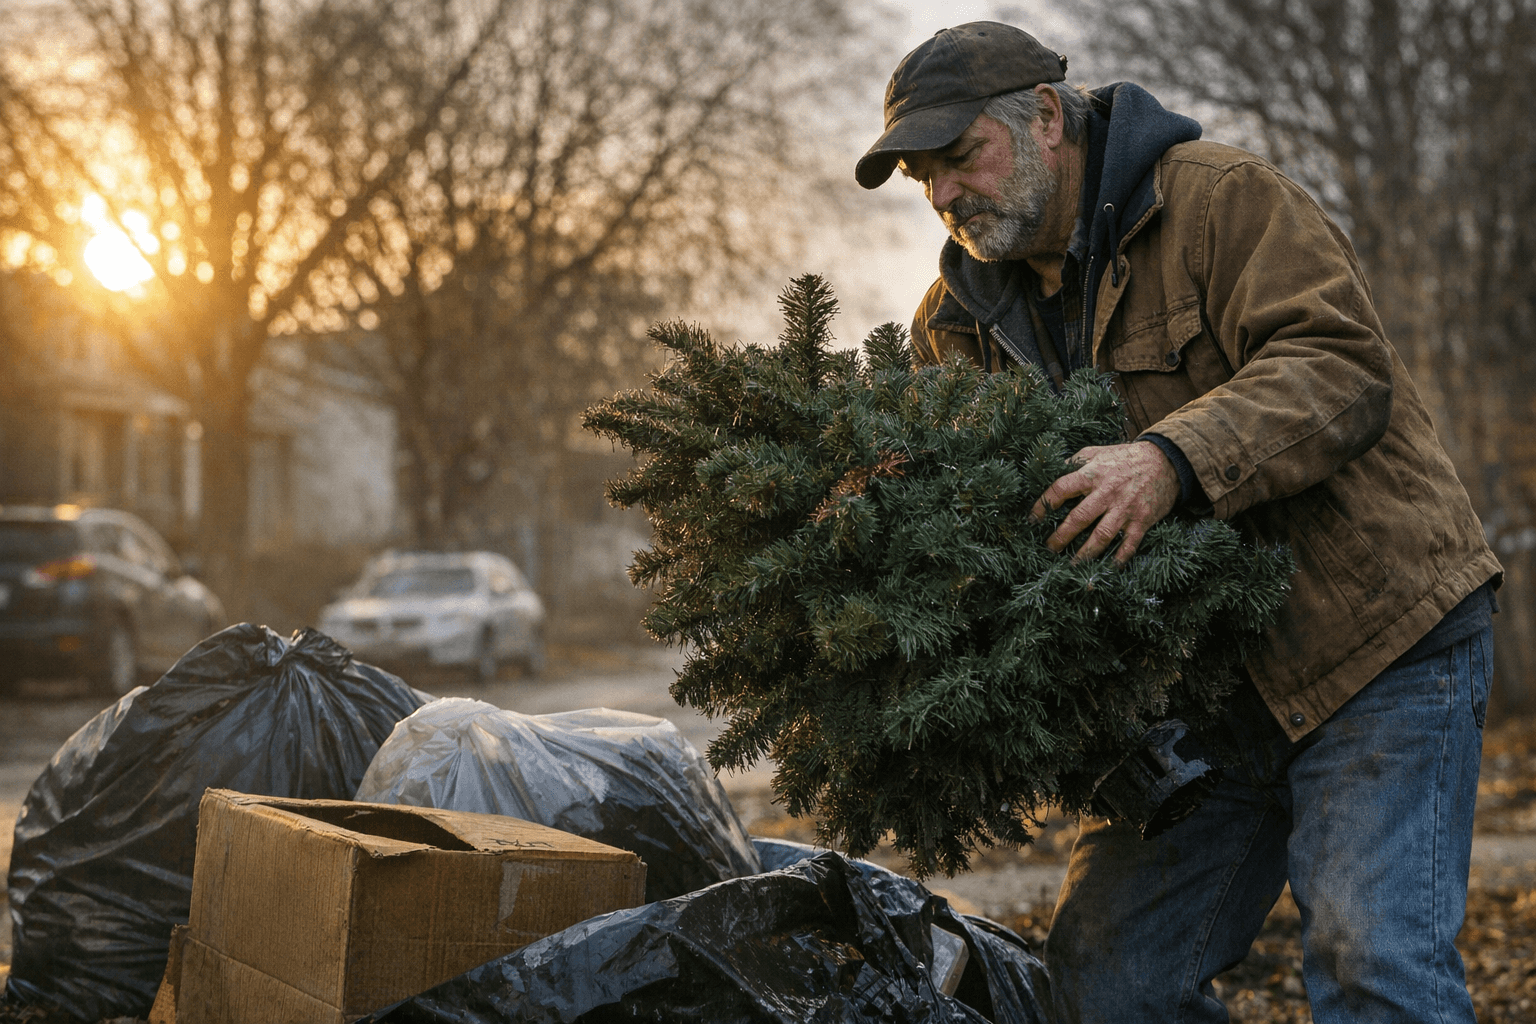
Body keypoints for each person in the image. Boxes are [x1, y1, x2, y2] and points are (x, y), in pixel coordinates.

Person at [856, 21, 1504, 1024]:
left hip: (1378, 647)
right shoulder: (951, 327)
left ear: (1044, 117)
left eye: (958, 157)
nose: (942, 195)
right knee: (1109, 983)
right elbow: (968, 524)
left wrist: (1171, 460)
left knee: (1370, 955)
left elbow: (1340, 365)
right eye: (920, 175)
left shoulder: (1218, 200)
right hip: (1198, 704)